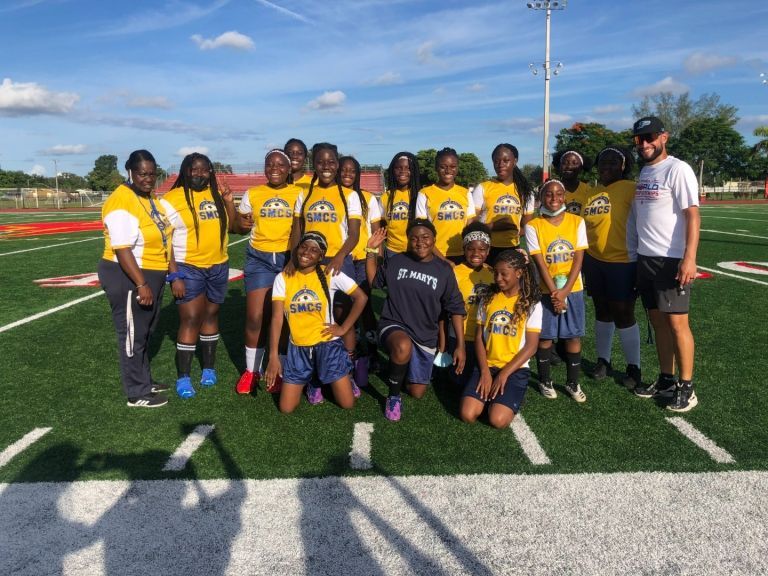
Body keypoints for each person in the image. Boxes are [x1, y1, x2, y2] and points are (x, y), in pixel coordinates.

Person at [629, 116, 700, 412]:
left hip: (671, 259)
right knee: (658, 323)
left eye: (650, 137)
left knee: (677, 323)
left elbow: (692, 215)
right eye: (639, 139)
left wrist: (689, 258)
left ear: (664, 137)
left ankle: (687, 386)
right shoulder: (645, 171)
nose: (645, 143)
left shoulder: (678, 169)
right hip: (647, 259)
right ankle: (667, 378)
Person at [365, 220, 466, 422]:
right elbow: (374, 282)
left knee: (417, 391)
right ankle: (393, 397)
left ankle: (397, 369)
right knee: (402, 346)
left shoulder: (444, 270)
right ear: (408, 240)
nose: (420, 242)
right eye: (414, 238)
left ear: (434, 240)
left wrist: (460, 346)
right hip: (393, 324)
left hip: (425, 334)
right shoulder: (397, 262)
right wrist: (370, 251)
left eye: (425, 237)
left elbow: (455, 309)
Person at [265, 231, 368, 413]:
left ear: (321, 256)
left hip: (327, 346)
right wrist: (274, 356)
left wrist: (343, 328)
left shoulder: (330, 273)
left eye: (314, 250)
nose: (306, 252)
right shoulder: (283, 278)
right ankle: (314, 379)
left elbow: (361, 297)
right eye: (303, 247)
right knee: (286, 408)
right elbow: (277, 318)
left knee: (347, 403)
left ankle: (339, 374)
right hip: (298, 348)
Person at [98, 150, 170, 408]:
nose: (148, 178)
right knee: (131, 333)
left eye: (152, 173)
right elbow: (122, 248)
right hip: (128, 274)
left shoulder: (147, 198)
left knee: (145, 331)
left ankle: (144, 380)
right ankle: (136, 393)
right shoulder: (122, 200)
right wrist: (141, 283)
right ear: (130, 172)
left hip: (149, 271)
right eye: (142, 174)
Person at [160, 153, 236, 399]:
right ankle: (183, 376)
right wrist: (174, 275)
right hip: (188, 266)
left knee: (211, 315)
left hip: (218, 264)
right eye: (194, 169)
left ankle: (209, 368)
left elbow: (232, 227)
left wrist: (228, 202)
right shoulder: (172, 199)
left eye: (205, 170)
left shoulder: (215, 195)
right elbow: (165, 242)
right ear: (185, 171)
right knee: (191, 318)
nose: (199, 174)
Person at [234, 149, 302, 394]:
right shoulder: (253, 193)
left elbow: (300, 227)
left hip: (288, 258)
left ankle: (279, 369)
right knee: (255, 317)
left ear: (289, 168)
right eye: (270, 164)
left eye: (280, 164)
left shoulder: (299, 193)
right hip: (259, 259)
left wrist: (294, 259)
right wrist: (239, 221)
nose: (275, 168)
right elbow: (239, 227)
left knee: (283, 317)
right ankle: (251, 370)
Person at [460, 249, 542, 428]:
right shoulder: (488, 297)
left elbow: (531, 347)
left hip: (514, 370)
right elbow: (479, 338)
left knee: (497, 421)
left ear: (519, 273)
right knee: (468, 415)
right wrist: (484, 372)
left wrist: (504, 374)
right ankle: (493, 396)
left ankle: (505, 398)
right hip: (487, 365)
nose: (498, 278)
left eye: (504, 274)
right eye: (496, 273)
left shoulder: (532, 304)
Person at [581, 146, 642, 388]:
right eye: (602, 162)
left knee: (623, 313)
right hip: (594, 260)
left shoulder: (631, 189)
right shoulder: (592, 192)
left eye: (612, 162)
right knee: (602, 310)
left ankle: (633, 366)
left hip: (624, 261)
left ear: (624, 165)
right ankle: (603, 360)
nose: (606, 166)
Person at [525, 179, 588, 402]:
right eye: (549, 194)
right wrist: (555, 293)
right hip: (545, 290)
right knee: (546, 337)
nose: (554, 198)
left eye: (559, 194)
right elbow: (539, 262)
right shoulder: (533, 225)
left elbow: (578, 259)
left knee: (573, 335)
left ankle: (572, 382)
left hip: (573, 289)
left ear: (565, 197)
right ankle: (545, 380)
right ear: (541, 197)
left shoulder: (577, 221)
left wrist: (565, 292)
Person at [338, 155, 383, 377]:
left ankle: (372, 352)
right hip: (341, 259)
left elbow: (376, 230)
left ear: (358, 174)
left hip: (363, 260)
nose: (347, 173)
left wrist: (377, 256)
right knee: (344, 308)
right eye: (343, 169)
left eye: (352, 170)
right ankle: (350, 354)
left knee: (365, 309)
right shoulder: (333, 196)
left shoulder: (368, 198)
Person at [472, 143, 535, 263]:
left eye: (506, 160)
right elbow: (472, 223)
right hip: (485, 249)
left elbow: (528, 227)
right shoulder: (483, 188)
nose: (500, 165)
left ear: (515, 161)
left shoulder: (525, 191)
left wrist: (513, 230)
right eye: (496, 161)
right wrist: (493, 227)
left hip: (512, 248)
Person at [450, 222, 494, 389]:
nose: (476, 253)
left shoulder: (493, 272)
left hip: (484, 338)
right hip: (460, 337)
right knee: (457, 384)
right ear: (464, 249)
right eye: (471, 249)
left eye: (482, 249)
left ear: (488, 251)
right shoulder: (455, 272)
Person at [416, 147, 476, 264]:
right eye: (443, 167)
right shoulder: (424, 193)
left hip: (463, 254)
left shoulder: (465, 193)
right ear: (436, 168)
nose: (448, 170)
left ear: (457, 168)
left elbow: (470, 226)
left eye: (453, 167)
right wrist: (443, 259)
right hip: (434, 254)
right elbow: (422, 232)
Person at [380, 152, 421, 258]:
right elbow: (381, 226)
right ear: (393, 171)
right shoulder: (385, 197)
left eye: (408, 168)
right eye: (398, 168)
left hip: (417, 250)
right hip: (392, 251)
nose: (403, 171)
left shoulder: (420, 195)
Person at [553, 150, 591, 216]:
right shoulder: (553, 189)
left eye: (574, 163)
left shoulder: (588, 190)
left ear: (581, 168)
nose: (569, 166)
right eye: (565, 163)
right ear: (559, 166)